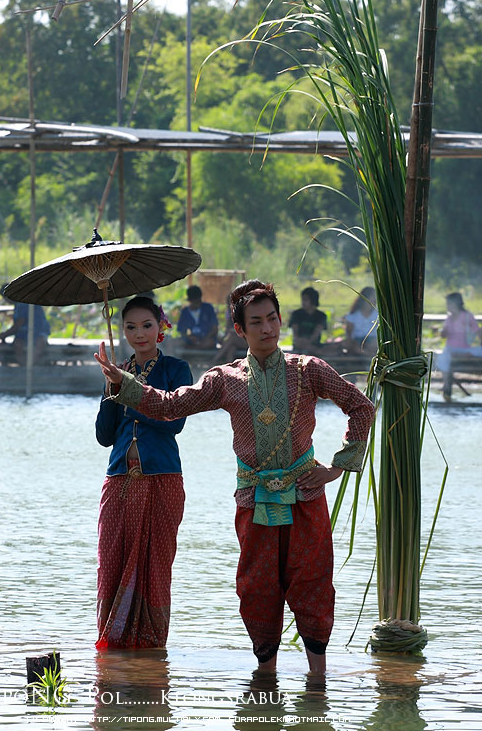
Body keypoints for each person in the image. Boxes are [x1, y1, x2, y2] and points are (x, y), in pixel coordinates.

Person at [95, 279, 375, 674]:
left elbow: (361, 407)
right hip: (253, 498)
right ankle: (265, 679)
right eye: (256, 322)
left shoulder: (308, 370)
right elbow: (171, 406)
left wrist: (337, 467)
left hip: (305, 494)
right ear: (240, 330)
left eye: (272, 318)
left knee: (312, 582)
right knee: (257, 588)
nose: (267, 328)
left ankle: (318, 679)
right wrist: (122, 384)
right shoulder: (224, 379)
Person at [94, 296, 193, 650]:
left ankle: (151, 650)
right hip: (119, 479)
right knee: (110, 562)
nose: (139, 334)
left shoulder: (176, 369)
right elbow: (104, 436)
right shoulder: (116, 371)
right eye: (131, 327)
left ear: (160, 327)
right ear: (122, 331)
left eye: (147, 325)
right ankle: (113, 652)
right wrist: (112, 388)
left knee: (156, 566)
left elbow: (175, 421)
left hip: (162, 478)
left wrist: (130, 393)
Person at [436, 292, 482, 401]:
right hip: (450, 349)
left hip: (465, 349)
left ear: (455, 304)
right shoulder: (449, 318)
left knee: (478, 350)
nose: (447, 306)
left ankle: (447, 387)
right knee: (443, 359)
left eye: (448, 303)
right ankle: (447, 386)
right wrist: (443, 332)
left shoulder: (467, 316)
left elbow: (477, 331)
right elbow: (444, 335)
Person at [0, 292, 51, 365]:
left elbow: (17, 326)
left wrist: (2, 335)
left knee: (40, 343)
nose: (6, 301)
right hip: (24, 333)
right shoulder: (18, 305)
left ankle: (31, 364)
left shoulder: (23, 304)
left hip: (38, 331)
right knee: (18, 344)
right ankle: (23, 365)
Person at [177, 285, 218, 349]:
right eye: (195, 302)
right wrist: (190, 337)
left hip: (207, 339)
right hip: (192, 341)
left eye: (199, 301)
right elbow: (181, 331)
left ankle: (193, 349)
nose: (198, 304)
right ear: (190, 300)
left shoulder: (208, 308)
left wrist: (205, 338)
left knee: (210, 343)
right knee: (176, 342)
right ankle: (195, 348)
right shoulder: (185, 312)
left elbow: (215, 329)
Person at [289, 287, 328, 354]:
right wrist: (302, 343)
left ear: (313, 300)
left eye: (305, 300)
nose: (303, 302)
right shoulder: (296, 314)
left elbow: (317, 332)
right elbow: (295, 334)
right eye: (302, 299)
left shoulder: (321, 316)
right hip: (299, 346)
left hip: (314, 346)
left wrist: (308, 343)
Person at [342, 287, 378, 355]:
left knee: (373, 344)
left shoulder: (377, 314)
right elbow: (349, 334)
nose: (374, 300)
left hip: (373, 341)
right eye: (372, 297)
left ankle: (366, 354)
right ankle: (366, 354)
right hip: (357, 341)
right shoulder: (353, 315)